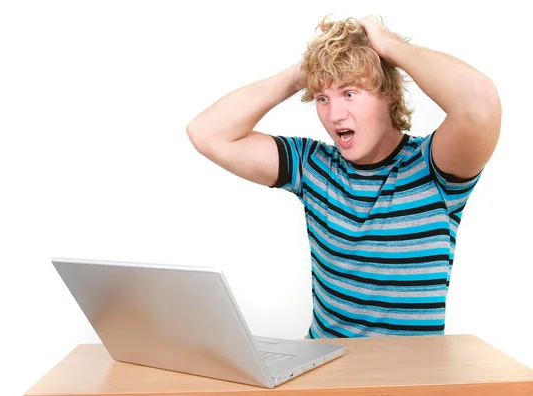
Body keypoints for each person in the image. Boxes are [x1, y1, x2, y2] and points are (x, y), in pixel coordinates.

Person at [186, 15, 501, 338]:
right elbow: (206, 133)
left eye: (349, 93)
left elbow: (480, 103)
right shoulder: (312, 166)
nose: (334, 115)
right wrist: (306, 70)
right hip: (324, 372)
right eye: (322, 98)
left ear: (388, 93)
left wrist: (390, 46)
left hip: (407, 379)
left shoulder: (431, 168)